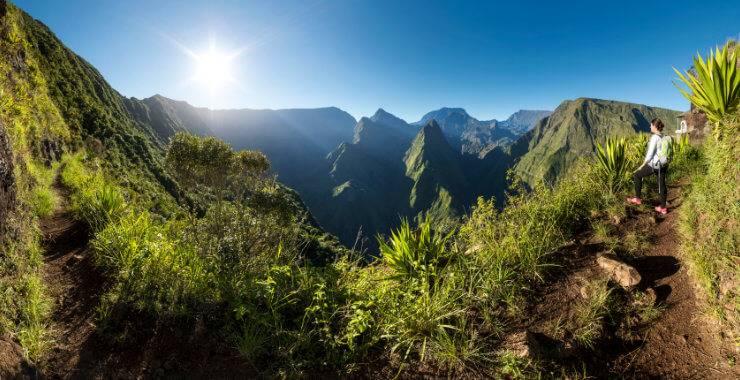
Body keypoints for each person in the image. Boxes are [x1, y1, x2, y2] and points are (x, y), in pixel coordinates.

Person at [627, 118, 668, 214]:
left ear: (654, 126)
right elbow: (660, 147)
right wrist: (650, 144)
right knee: (662, 184)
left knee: (637, 174)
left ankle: (637, 198)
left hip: (655, 165)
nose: (650, 127)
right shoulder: (664, 136)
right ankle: (663, 208)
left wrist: (642, 165)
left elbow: (649, 155)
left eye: (651, 125)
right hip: (664, 164)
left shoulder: (654, 137)